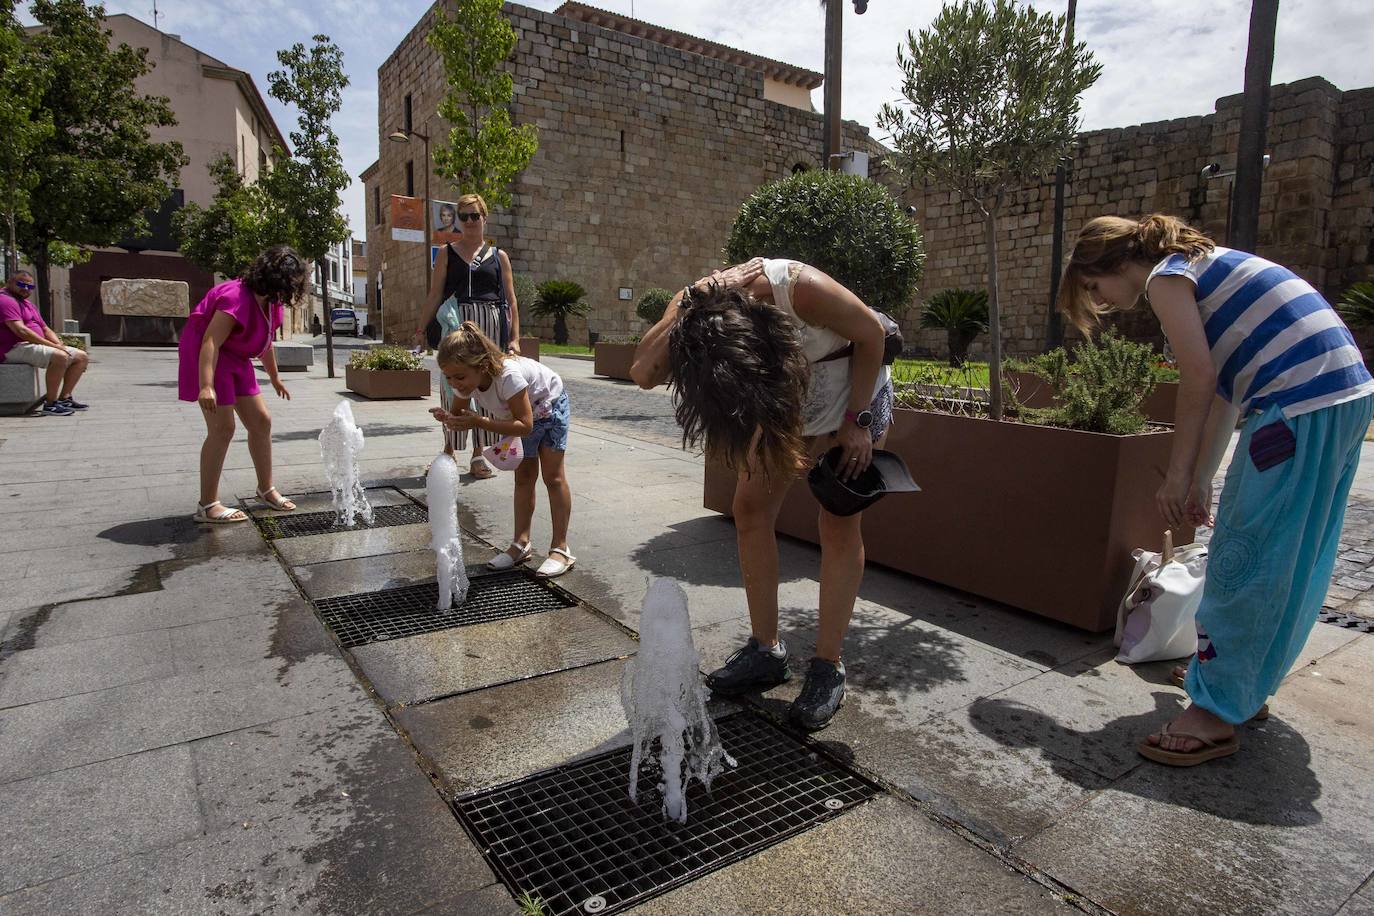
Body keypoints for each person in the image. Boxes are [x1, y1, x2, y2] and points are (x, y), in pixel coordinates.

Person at [1058, 214, 1374, 766]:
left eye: (1093, 287)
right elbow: (1229, 389)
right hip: (1340, 396)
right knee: (1292, 554)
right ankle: (1237, 685)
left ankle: (1214, 711)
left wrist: (1178, 477)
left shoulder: (1164, 278)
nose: (1102, 301)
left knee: (1242, 559)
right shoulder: (1201, 267)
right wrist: (1204, 475)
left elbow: (1198, 378)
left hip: (1296, 405)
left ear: (1109, 264)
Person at [631, 258, 893, 731]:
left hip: (851, 393)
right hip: (780, 400)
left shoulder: (801, 289)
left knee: (837, 518)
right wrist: (689, 299)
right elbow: (643, 372)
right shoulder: (695, 303)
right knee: (750, 509)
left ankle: (828, 666)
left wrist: (859, 423)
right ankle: (766, 651)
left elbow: (872, 334)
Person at [430, 321, 575, 578]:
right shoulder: (463, 380)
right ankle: (521, 544)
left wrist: (480, 421)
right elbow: (459, 417)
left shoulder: (507, 376)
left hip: (549, 404)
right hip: (520, 416)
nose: (455, 383)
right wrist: (448, 418)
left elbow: (525, 425)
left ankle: (560, 549)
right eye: (448, 376)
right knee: (524, 478)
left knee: (552, 477)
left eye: (459, 377)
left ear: (482, 366)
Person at [178, 246, 309, 523]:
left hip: (236, 357)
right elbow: (210, 341)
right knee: (222, 428)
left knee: (261, 421)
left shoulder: (270, 303)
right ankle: (207, 505)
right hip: (211, 357)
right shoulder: (235, 297)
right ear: (278, 280)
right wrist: (206, 385)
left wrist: (275, 377)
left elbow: (265, 343)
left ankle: (266, 489)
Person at [412, 193, 522, 479]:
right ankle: (448, 451)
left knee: (487, 390)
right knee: (454, 387)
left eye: (475, 215)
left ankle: (478, 456)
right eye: (464, 216)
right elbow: (435, 293)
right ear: (458, 220)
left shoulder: (499, 257)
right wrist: (420, 329)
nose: (470, 221)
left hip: (489, 326)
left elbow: (510, 300)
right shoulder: (448, 252)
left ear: (484, 217)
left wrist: (514, 338)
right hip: (457, 324)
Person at [0, 269, 91, 416]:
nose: (25, 289)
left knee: (81, 357)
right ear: (9, 282)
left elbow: (45, 328)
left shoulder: (27, 304)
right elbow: (21, 331)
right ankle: (50, 404)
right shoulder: (5, 300)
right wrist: (54, 347)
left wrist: (59, 344)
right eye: (21, 284)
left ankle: (65, 398)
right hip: (11, 347)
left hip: (30, 345)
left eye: (30, 287)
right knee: (60, 356)